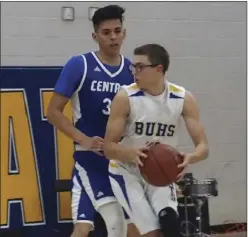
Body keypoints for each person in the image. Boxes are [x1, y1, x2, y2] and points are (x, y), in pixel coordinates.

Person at [47, 5, 139, 237]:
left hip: (120, 161)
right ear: (95, 36)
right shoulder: (80, 65)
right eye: (107, 32)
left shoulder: (131, 70)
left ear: (124, 33)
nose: (113, 37)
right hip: (90, 160)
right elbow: (53, 112)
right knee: (95, 226)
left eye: (118, 31)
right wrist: (85, 140)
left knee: (130, 226)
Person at [103, 43, 209, 237]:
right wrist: (131, 153)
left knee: (169, 222)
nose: (135, 71)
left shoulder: (183, 98)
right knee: (152, 233)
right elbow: (108, 148)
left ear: (159, 69)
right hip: (126, 171)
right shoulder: (125, 96)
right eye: (133, 66)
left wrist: (190, 158)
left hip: (159, 173)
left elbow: (203, 147)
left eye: (140, 67)